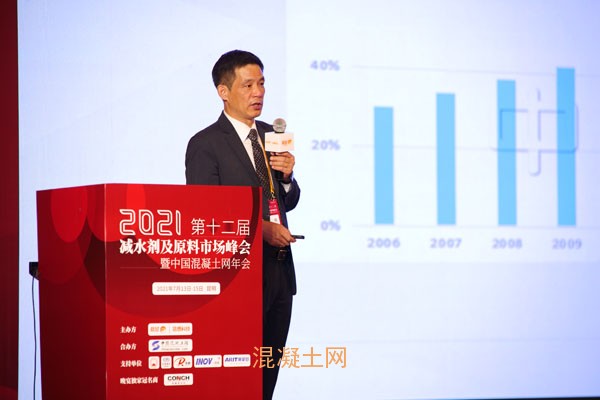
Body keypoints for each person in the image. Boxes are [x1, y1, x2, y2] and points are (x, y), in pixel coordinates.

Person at [185, 49, 300, 400]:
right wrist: (262, 230)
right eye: (248, 85)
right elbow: (206, 215)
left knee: (267, 378)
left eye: (262, 83)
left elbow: (288, 201)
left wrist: (287, 178)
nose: (258, 92)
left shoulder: (271, 136)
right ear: (223, 91)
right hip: (238, 276)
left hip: (279, 272)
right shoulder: (205, 144)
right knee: (238, 379)